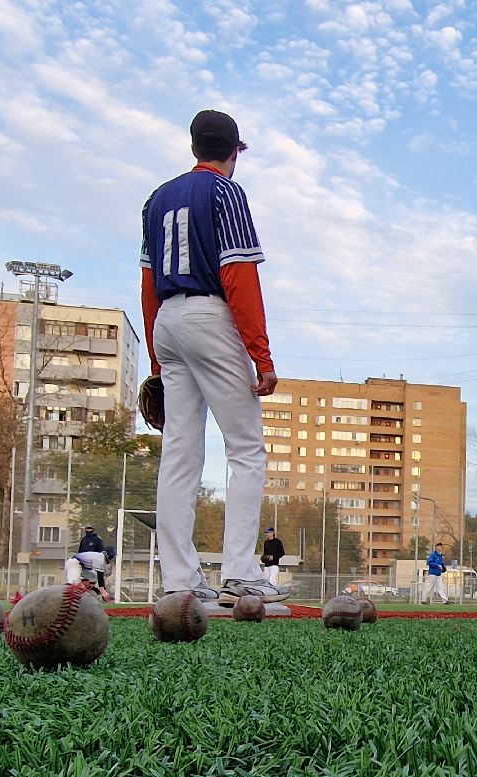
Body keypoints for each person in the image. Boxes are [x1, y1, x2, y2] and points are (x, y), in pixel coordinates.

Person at [140, 109, 290, 606]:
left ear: (192, 147)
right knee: (246, 448)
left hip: (167, 321)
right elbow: (239, 276)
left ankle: (179, 583)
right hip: (210, 315)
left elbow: (147, 285)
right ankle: (240, 573)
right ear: (235, 151)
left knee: (179, 456)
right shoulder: (226, 192)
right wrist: (261, 355)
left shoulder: (156, 199)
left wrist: (158, 366)